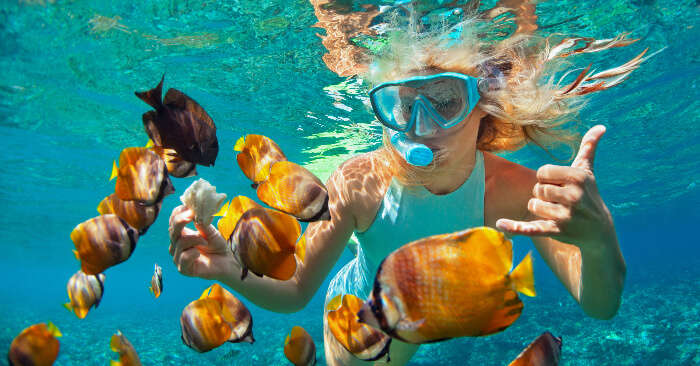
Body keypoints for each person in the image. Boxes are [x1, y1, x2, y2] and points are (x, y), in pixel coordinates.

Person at [167, 10, 646, 365]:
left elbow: (599, 305)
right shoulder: (360, 185)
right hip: (364, 316)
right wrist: (231, 269)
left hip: (440, 306)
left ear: (482, 109)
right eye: (401, 104)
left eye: (443, 100)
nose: (420, 126)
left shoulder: (511, 189)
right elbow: (294, 292)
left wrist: (597, 238)